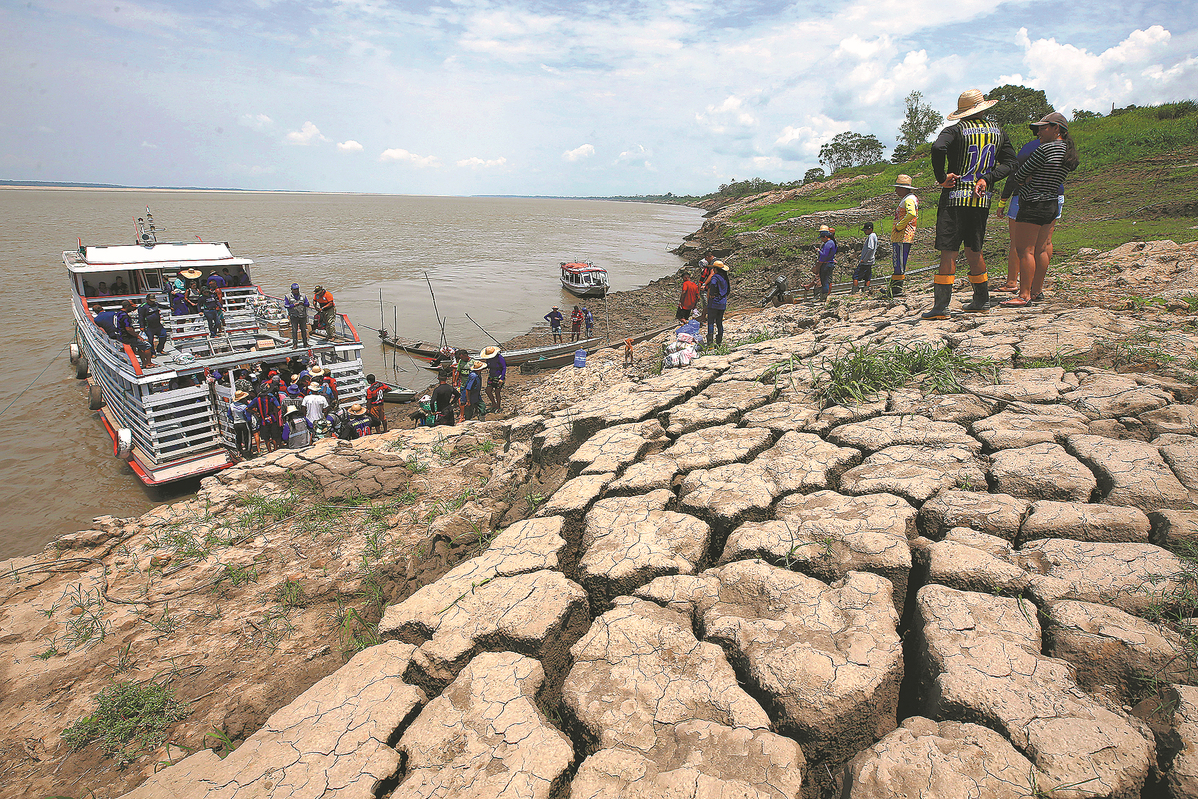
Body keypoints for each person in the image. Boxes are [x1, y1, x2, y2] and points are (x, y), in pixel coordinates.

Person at [923, 89, 1017, 320]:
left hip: (955, 198)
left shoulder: (955, 130)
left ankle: (941, 307)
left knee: (949, 251)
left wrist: (941, 177)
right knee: (974, 249)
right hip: (981, 199)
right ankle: (981, 300)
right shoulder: (998, 133)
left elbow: (937, 148)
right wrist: (988, 178)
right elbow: (1011, 163)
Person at [1000, 112, 1080, 308]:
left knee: (1024, 249)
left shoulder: (1044, 150)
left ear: (1056, 129)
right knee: (1042, 248)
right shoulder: (1067, 151)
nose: (1039, 132)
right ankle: (1037, 291)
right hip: (1052, 202)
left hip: (1033, 202)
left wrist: (1026, 179)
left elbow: (1020, 174)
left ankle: (1024, 294)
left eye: (1043, 128)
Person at [888, 175, 919, 297]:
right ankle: (893, 288)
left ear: (904, 188)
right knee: (898, 262)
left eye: (898, 188)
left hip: (903, 236)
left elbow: (911, 213)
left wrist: (900, 225)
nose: (896, 191)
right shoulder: (907, 198)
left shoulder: (909, 199)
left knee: (899, 263)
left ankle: (897, 289)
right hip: (900, 236)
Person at [115, 300, 155, 368]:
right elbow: (128, 329)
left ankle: (144, 363)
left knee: (140, 346)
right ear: (127, 306)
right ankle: (149, 363)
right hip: (127, 337)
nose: (132, 308)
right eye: (130, 306)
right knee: (147, 345)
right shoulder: (125, 316)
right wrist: (138, 336)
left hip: (120, 335)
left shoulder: (118, 313)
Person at [251, 386, 281, 453]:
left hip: (263, 420)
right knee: (274, 436)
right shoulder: (272, 398)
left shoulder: (257, 399)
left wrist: (256, 412)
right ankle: (275, 449)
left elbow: (248, 408)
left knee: (266, 438)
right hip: (272, 418)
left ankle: (269, 450)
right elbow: (278, 407)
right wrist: (274, 412)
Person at [706, 261, 729, 346]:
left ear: (715, 269)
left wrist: (712, 294)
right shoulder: (724, 277)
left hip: (714, 303)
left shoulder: (715, 277)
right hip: (722, 303)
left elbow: (713, 284)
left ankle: (710, 344)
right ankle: (719, 342)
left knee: (711, 322)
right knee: (719, 322)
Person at [228, 390, 256, 458]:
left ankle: (239, 450)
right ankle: (248, 451)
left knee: (238, 437)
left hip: (236, 423)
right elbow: (247, 416)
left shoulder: (231, 406)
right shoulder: (244, 406)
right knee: (247, 437)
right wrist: (249, 421)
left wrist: (234, 419)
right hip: (244, 422)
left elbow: (229, 415)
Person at [284, 283, 310, 348]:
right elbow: (286, 305)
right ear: (291, 289)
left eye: (297, 289)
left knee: (304, 330)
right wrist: (293, 305)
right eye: (295, 289)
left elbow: (308, 304)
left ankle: (305, 343)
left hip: (302, 316)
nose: (296, 291)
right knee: (294, 330)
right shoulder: (288, 296)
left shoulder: (303, 295)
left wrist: (303, 304)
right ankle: (295, 344)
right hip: (294, 316)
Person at [480, 346, 506, 411]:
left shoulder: (499, 358)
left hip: (498, 376)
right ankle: (493, 403)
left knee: (497, 392)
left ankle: (498, 406)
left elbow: (504, 368)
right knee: (488, 391)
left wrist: (501, 378)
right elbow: (488, 365)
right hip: (491, 376)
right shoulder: (489, 358)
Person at [854, 222, 877, 293]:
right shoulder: (874, 236)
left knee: (856, 276)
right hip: (870, 260)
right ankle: (866, 289)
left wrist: (864, 259)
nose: (865, 232)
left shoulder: (871, 236)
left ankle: (855, 290)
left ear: (870, 229)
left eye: (866, 230)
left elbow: (871, 248)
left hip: (866, 261)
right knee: (867, 276)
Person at [816, 228, 837, 302]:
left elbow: (824, 255)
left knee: (824, 281)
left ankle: (824, 297)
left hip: (826, 264)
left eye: (822, 238)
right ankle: (826, 296)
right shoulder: (833, 242)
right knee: (828, 280)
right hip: (830, 263)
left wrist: (819, 251)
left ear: (825, 237)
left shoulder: (828, 243)